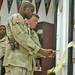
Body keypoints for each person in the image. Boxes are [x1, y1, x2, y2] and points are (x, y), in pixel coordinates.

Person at [3, 1, 55, 75]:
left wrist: (45, 53)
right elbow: (23, 39)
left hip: (26, 64)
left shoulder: (26, 27)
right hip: (16, 63)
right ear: (24, 8)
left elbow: (32, 46)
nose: (32, 13)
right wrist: (42, 51)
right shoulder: (16, 18)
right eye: (31, 11)